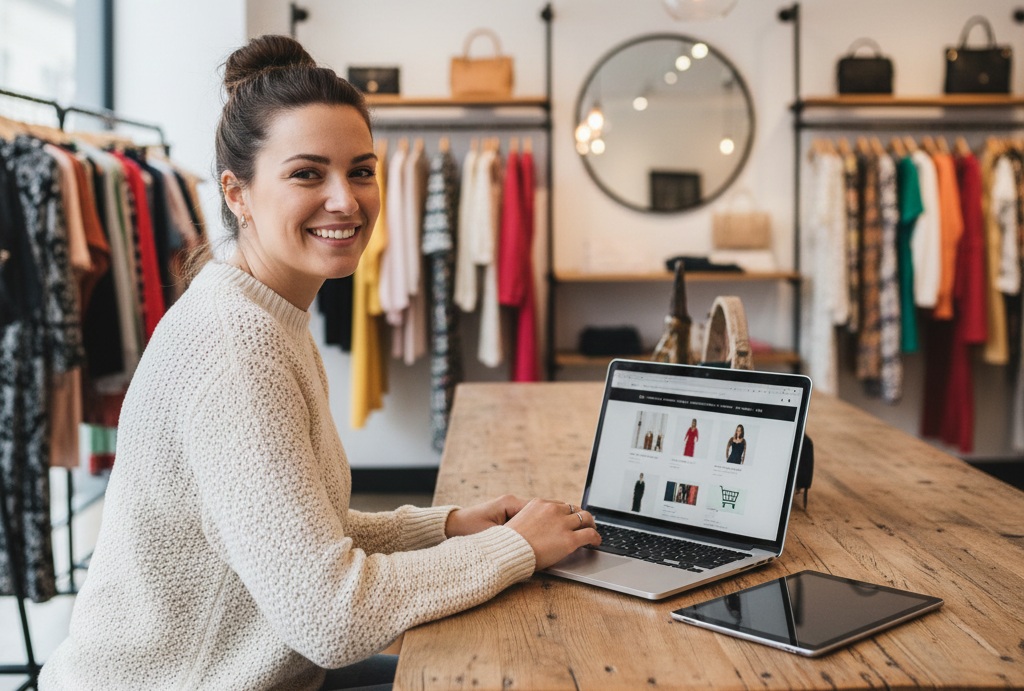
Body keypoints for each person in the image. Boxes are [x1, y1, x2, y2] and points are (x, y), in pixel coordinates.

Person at [38, 35, 600, 691]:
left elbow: (297, 532)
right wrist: (514, 547)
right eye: (308, 173)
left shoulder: (269, 313)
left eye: (361, 170)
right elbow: (332, 615)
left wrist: (443, 527)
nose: (347, 199)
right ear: (237, 192)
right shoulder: (236, 347)